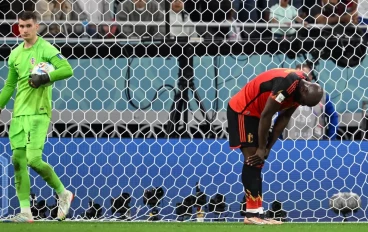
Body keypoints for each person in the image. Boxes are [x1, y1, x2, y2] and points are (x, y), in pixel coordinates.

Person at [1, 11, 74, 223]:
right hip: (19, 114)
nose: (24, 30)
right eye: (21, 26)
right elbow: (9, 86)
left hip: (39, 113)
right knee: (17, 161)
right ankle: (26, 212)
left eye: (28, 26)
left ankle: (63, 193)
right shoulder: (15, 54)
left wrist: (44, 77)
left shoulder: (46, 48)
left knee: (33, 160)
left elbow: (67, 69)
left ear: (36, 26)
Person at [227, 68, 323, 225]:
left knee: (259, 161)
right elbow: (267, 115)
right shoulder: (286, 86)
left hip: (258, 114)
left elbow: (284, 118)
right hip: (243, 110)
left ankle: (257, 214)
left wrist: (268, 147)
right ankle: (251, 215)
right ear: (305, 89)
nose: (302, 104)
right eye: (303, 102)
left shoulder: (301, 90)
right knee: (253, 158)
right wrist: (260, 148)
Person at [282, 62, 338, 140]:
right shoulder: (286, 95)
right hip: (289, 143)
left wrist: (330, 141)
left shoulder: (322, 95)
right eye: (297, 77)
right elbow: (277, 117)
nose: (301, 80)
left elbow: (333, 116)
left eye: (304, 76)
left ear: (311, 77)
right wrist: (278, 141)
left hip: (315, 143)